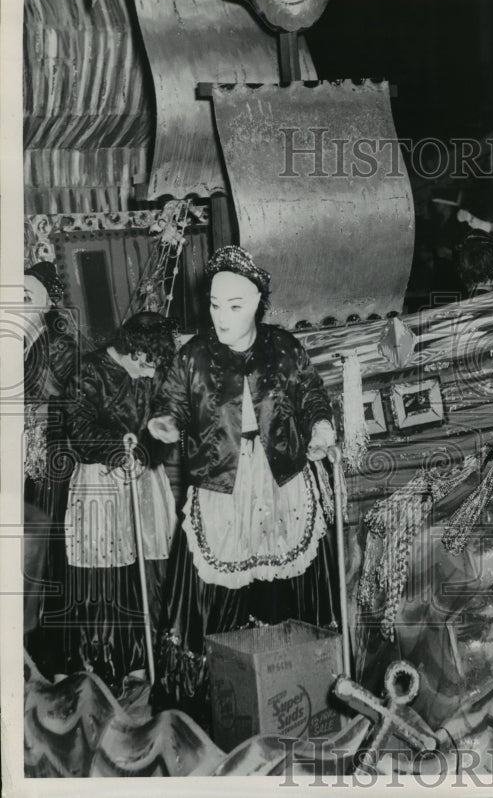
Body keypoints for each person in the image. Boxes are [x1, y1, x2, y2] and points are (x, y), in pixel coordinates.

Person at [148, 246, 340, 724]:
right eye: (215, 304)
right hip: (220, 481)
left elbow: (312, 394)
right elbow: (170, 399)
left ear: (257, 302)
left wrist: (320, 426)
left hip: (282, 477)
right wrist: (164, 423)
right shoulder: (192, 355)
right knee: (214, 580)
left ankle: (304, 680)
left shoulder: (283, 347)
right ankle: (217, 698)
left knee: (287, 575)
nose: (221, 316)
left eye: (234, 305)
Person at [44, 313, 178, 687]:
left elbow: (163, 413)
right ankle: (96, 664)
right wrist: (117, 450)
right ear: (133, 351)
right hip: (101, 483)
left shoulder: (148, 374)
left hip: (144, 482)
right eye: (148, 365)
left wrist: (162, 433)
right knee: (102, 578)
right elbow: (81, 428)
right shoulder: (88, 372)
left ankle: (140, 659)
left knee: (147, 571)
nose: (151, 375)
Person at [22, 262, 78, 659]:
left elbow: (57, 405)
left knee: (45, 553)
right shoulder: (23, 340)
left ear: (46, 304)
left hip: (50, 467)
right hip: (27, 461)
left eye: (26, 298)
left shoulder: (58, 345)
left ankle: (50, 650)